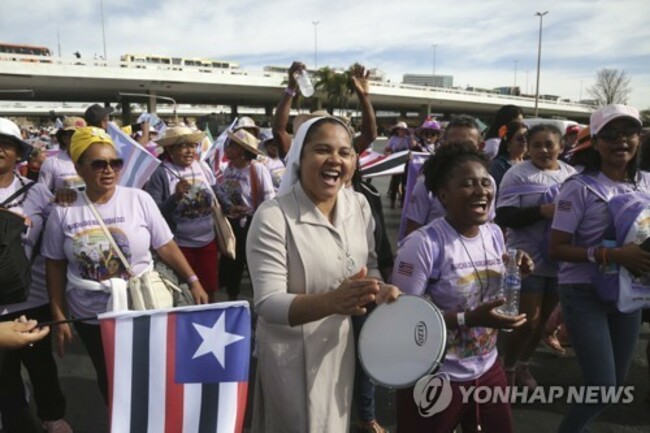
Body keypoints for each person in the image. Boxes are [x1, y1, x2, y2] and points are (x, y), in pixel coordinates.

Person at [246, 116, 399, 432]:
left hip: (338, 349)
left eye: (344, 152)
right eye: (322, 150)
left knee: (333, 423)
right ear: (299, 157)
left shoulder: (358, 205)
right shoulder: (274, 217)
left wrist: (378, 289)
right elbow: (268, 303)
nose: (335, 160)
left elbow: (367, 266)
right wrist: (334, 301)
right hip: (288, 357)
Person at [42, 126, 208, 404]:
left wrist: (193, 281)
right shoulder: (63, 209)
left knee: (155, 372)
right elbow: (55, 265)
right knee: (111, 380)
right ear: (79, 167)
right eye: (98, 164)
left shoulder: (138, 199)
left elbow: (165, 244)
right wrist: (59, 315)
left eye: (115, 163)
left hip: (143, 305)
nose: (109, 170)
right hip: (91, 316)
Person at [392, 142, 531, 433]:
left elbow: (487, 289)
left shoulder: (493, 233)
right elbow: (402, 320)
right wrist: (470, 319)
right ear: (443, 195)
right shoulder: (423, 244)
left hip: (487, 368)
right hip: (436, 375)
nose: (481, 191)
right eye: (468, 184)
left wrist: (516, 272)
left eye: (485, 182)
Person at [549, 104, 647, 433]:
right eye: (610, 134)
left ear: (639, 139)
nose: (621, 141)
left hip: (630, 290)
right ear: (596, 141)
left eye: (629, 133)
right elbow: (557, 248)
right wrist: (611, 256)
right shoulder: (578, 187)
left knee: (613, 384)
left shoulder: (646, 184)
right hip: (583, 292)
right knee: (602, 385)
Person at [0, 117, 72, 433]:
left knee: (42, 366)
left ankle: (52, 415)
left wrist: (71, 199)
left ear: (18, 153)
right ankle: (15, 416)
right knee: (4, 374)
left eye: (6, 144)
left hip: (35, 298)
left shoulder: (38, 192)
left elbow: (62, 233)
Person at [495, 124, 576, 388]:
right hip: (524, 260)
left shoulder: (572, 176)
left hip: (559, 260)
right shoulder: (515, 174)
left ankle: (523, 365)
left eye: (549, 144)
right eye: (537, 144)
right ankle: (505, 368)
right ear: (527, 147)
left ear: (561, 147)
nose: (543, 150)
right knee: (526, 322)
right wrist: (543, 211)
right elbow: (504, 216)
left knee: (543, 324)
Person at [145, 125, 233, 301]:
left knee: (209, 290)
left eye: (192, 145)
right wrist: (175, 197)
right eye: (183, 146)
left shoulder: (202, 167)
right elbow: (154, 213)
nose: (189, 151)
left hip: (208, 243)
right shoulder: (161, 173)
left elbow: (216, 189)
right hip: (179, 247)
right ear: (170, 149)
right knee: (184, 293)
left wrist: (230, 207)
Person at [402, 114, 486, 239]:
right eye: (455, 144)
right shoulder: (427, 183)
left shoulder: (488, 184)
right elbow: (412, 231)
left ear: (480, 147)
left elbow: (488, 225)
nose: (461, 151)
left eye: (468, 145)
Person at [218, 128, 275, 300]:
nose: (227, 147)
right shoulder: (229, 169)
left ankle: (262, 299)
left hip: (251, 222)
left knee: (253, 263)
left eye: (232, 145)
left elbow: (268, 199)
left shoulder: (257, 169)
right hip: (232, 223)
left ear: (242, 150)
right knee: (231, 264)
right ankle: (232, 298)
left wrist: (261, 222)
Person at [38, 116, 87, 192]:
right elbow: (42, 195)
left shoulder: (97, 161)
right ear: (64, 138)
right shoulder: (51, 163)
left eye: (84, 135)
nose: (79, 139)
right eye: (75, 135)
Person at [489, 120, 528, 190]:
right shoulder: (498, 165)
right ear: (509, 142)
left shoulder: (531, 164)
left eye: (527, 138)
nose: (524, 141)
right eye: (519, 139)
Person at [384, 121, 414, 208]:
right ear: (397, 130)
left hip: (406, 164)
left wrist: (411, 136)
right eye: (400, 129)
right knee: (395, 183)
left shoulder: (408, 138)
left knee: (405, 183)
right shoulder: (393, 138)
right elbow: (387, 149)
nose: (402, 131)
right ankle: (392, 202)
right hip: (396, 163)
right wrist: (389, 154)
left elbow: (413, 147)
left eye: (404, 130)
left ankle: (403, 202)